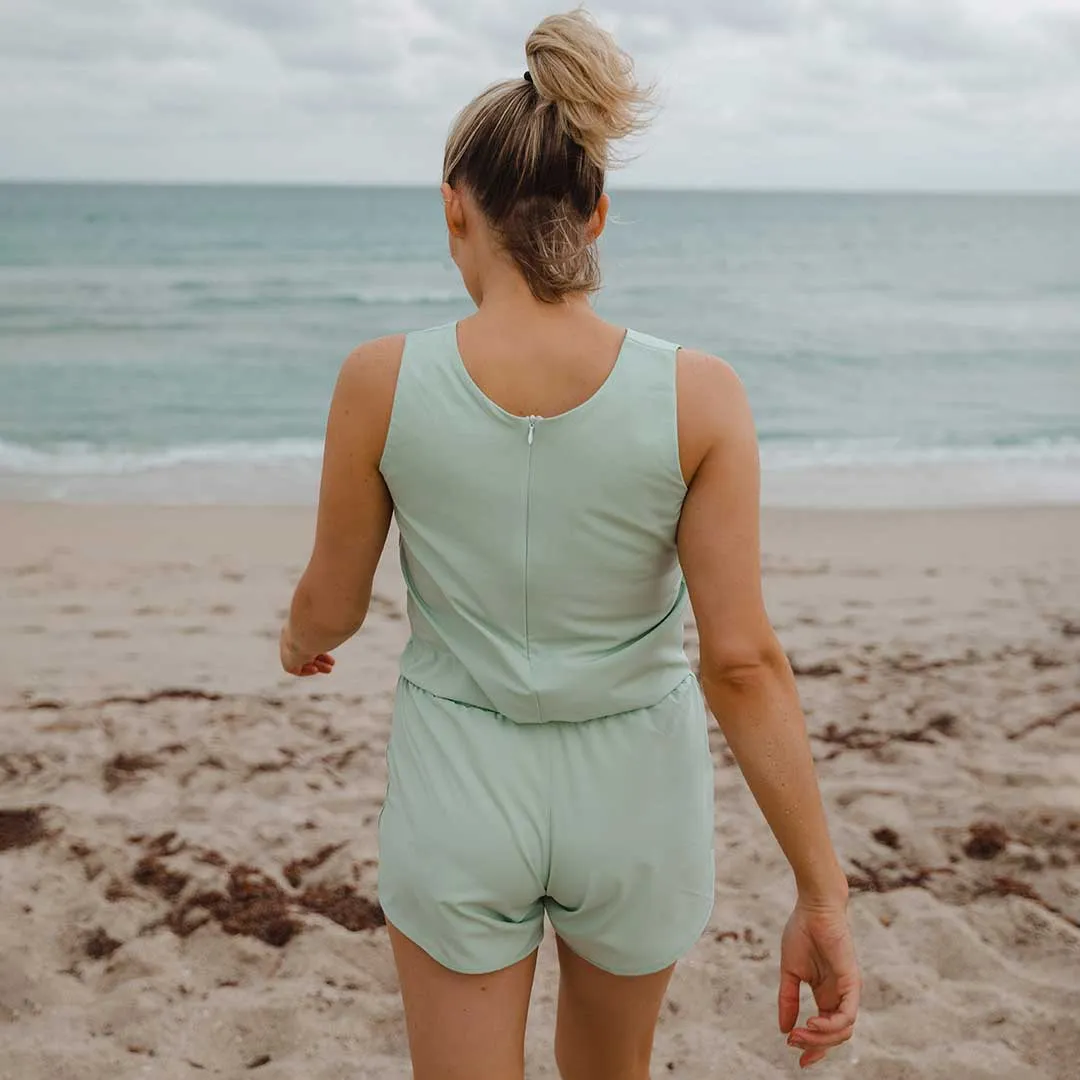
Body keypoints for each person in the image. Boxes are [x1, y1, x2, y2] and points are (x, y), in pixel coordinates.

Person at [279, 8, 860, 1078]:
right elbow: (740, 661)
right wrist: (821, 892)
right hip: (635, 787)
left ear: (454, 211)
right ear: (596, 215)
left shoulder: (380, 381)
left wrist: (295, 638)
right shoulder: (701, 395)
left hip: (461, 779)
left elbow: (335, 604)